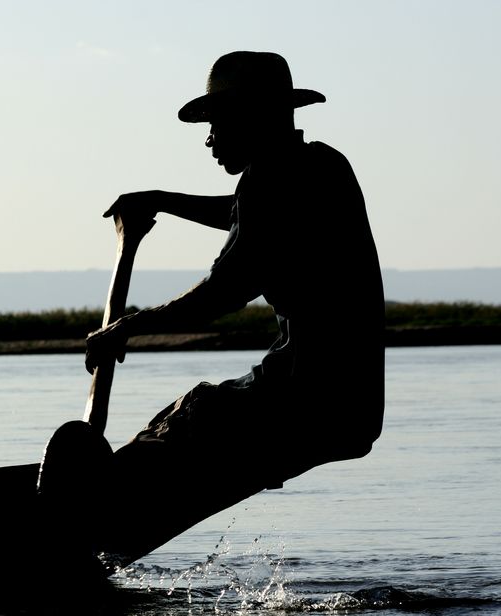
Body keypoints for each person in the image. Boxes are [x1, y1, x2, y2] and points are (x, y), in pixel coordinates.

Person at [86, 51, 385, 484]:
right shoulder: (322, 166)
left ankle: (93, 506)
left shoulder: (269, 183)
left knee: (187, 418)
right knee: (190, 415)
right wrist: (162, 201)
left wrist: (126, 327)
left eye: (216, 124)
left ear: (251, 117)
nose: (209, 140)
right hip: (354, 409)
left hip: (303, 404)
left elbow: (221, 294)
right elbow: (249, 215)